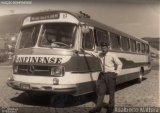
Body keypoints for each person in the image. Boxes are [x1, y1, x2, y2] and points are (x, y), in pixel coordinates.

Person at [89, 42, 122, 113]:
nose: (103, 49)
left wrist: (117, 72)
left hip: (110, 75)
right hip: (102, 75)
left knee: (111, 92)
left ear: (108, 48)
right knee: (101, 92)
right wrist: (83, 51)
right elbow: (93, 54)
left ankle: (110, 108)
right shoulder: (100, 55)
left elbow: (120, 64)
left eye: (104, 48)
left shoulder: (112, 55)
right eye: (102, 48)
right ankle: (98, 107)